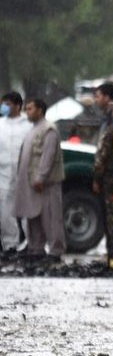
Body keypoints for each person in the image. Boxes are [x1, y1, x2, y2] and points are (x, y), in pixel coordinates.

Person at [13, 98, 67, 261]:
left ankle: (55, 250)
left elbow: (48, 156)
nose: (26, 112)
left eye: (30, 109)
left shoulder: (49, 130)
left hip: (45, 183)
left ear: (40, 110)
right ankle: (35, 249)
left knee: (51, 217)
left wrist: (41, 177)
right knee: (33, 216)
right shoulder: (33, 130)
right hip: (31, 183)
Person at [92, 83, 113, 267]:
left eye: (98, 96)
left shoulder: (112, 124)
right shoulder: (109, 120)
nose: (96, 100)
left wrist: (97, 177)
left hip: (111, 176)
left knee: (112, 216)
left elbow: (103, 152)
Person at [0, 92, 33, 254]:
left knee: (28, 210)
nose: (4, 107)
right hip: (4, 174)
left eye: (7, 104)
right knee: (5, 212)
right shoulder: (0, 125)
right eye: (3, 104)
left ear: (18, 106)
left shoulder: (28, 125)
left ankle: (32, 244)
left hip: (25, 174)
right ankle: (10, 245)